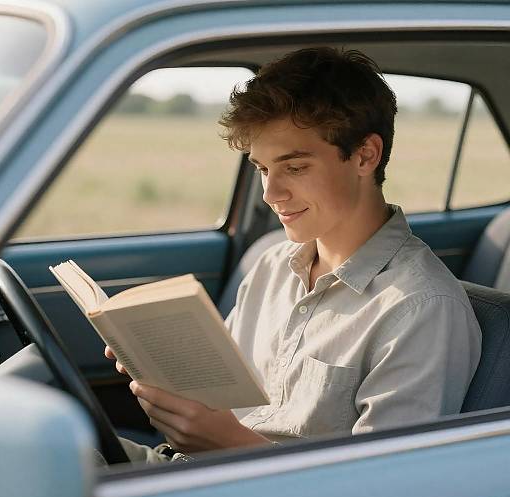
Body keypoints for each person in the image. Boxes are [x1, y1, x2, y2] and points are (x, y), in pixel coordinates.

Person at [107, 47, 481, 459]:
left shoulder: (421, 308)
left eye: (296, 168)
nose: (271, 194)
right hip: (187, 469)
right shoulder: (271, 265)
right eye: (263, 169)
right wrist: (158, 366)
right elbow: (220, 395)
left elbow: (384, 489)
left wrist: (231, 445)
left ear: (365, 155)